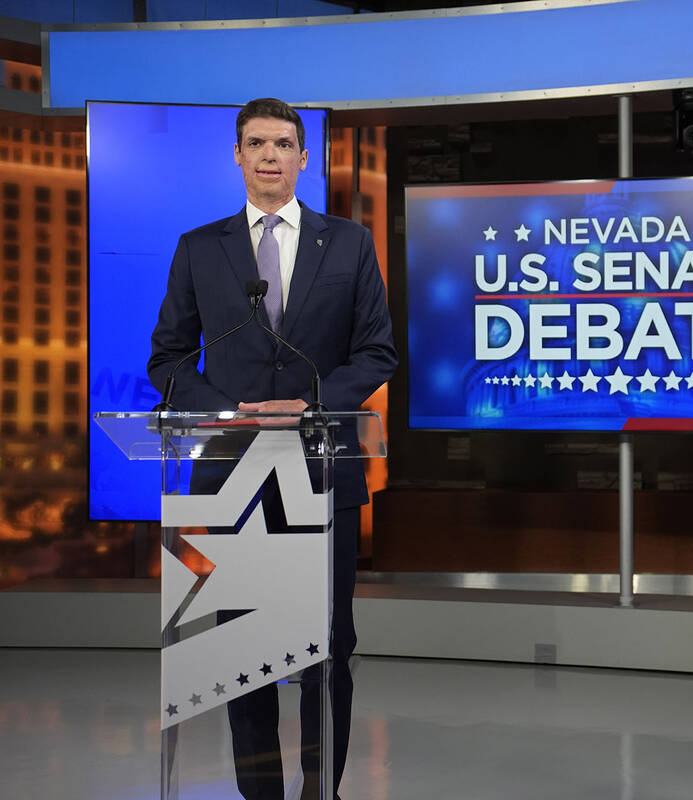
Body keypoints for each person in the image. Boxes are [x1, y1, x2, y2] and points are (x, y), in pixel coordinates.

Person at [148, 97, 398, 800]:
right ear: (236, 154)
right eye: (256, 143)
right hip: (234, 474)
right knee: (247, 652)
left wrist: (310, 403)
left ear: (303, 157)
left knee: (327, 651)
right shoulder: (200, 248)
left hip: (324, 470)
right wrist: (225, 412)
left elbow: (377, 351)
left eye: (283, 144)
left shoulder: (348, 243)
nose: (269, 157)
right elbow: (167, 360)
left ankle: (324, 792)